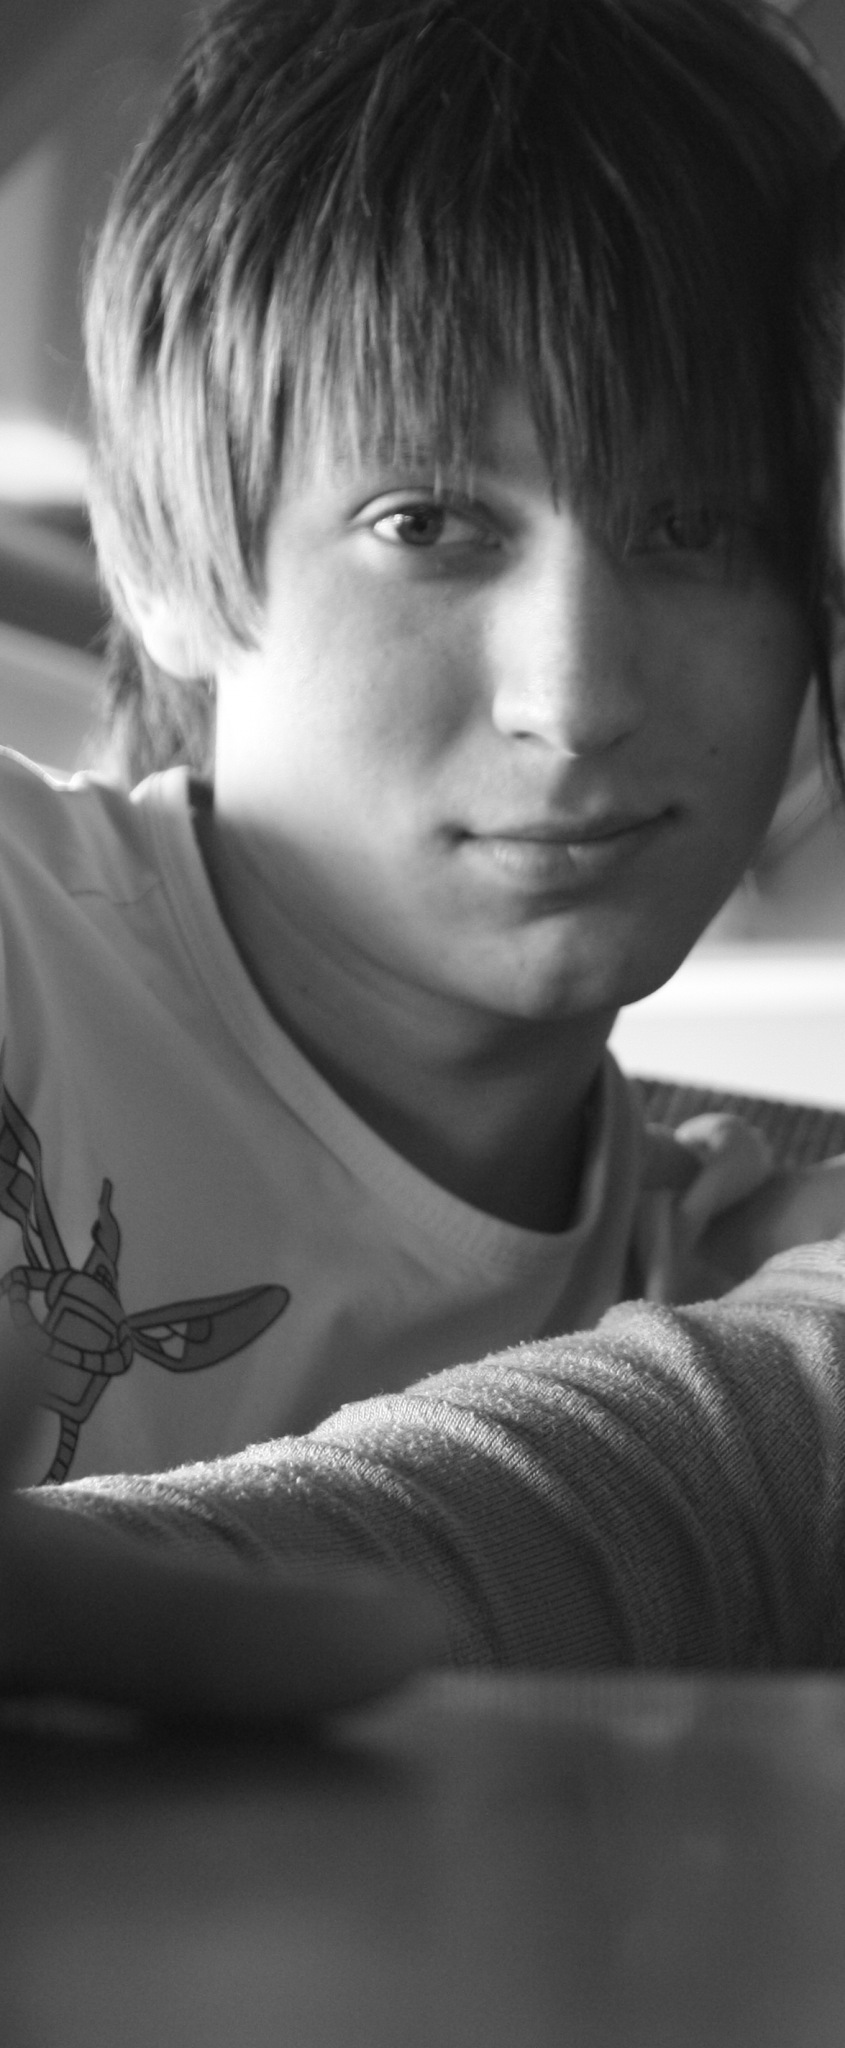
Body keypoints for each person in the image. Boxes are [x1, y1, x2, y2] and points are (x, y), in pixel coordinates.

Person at [4, 0, 845, 1724]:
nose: (573, 700)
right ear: (161, 564)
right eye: (428, 524)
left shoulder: (715, 1282)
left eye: (695, 529)